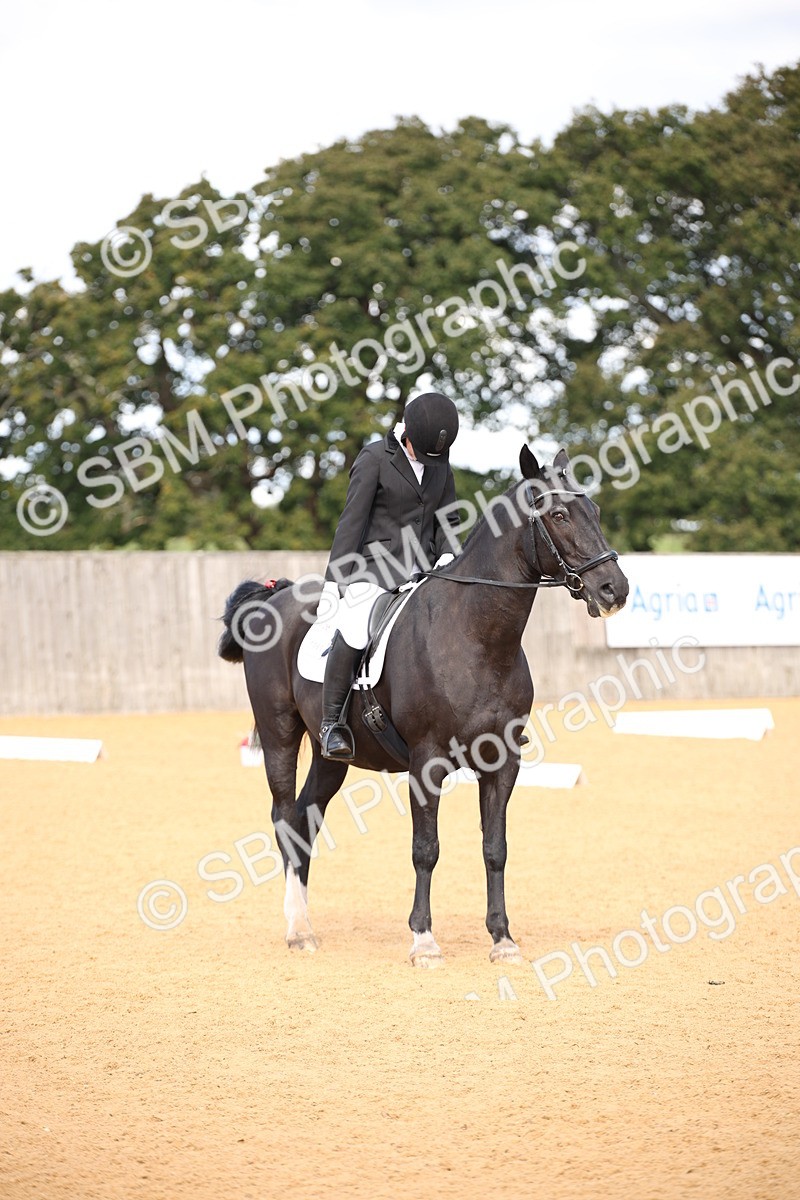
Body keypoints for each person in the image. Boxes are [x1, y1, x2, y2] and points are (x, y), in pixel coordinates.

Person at [316, 392, 462, 761]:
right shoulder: (374, 459)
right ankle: (331, 723)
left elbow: (448, 519)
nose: (431, 463)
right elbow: (352, 522)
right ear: (406, 433)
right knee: (355, 626)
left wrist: (447, 553)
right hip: (374, 570)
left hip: (426, 571)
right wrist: (336, 583)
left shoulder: (439, 462)